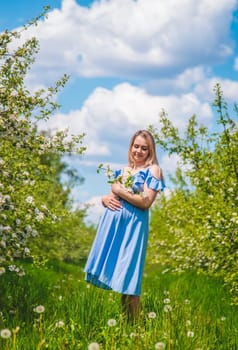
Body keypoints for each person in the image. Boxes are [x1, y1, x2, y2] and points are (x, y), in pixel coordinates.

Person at [84, 130, 165, 321]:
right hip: (114, 227)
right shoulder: (123, 171)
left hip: (134, 228)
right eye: (136, 146)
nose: (139, 151)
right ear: (130, 147)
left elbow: (146, 202)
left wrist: (119, 189)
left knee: (130, 279)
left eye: (144, 148)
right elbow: (112, 196)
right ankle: (127, 326)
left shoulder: (153, 170)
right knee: (121, 281)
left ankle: (139, 329)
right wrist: (105, 198)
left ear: (150, 151)